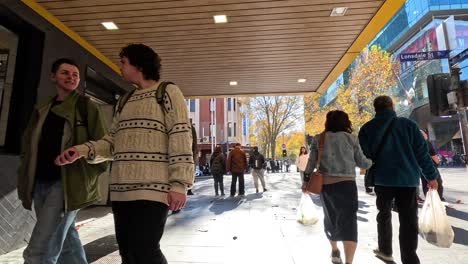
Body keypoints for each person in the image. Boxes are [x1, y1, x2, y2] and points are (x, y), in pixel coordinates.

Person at [55, 44, 194, 264]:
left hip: (153, 191)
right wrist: (82, 151)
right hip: (121, 191)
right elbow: (112, 143)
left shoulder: (168, 92)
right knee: (127, 253)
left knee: (146, 251)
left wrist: (179, 184)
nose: (120, 67)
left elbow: (180, 136)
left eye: (123, 62)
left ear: (137, 65)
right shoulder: (125, 100)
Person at [17, 58, 108, 264]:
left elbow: (103, 145)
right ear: (53, 76)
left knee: (39, 250)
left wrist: (81, 157)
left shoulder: (86, 107)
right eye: (65, 73)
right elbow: (28, 145)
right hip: (40, 182)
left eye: (75, 74)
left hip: (67, 185)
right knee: (67, 243)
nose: (71, 77)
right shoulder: (42, 109)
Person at [358, 96, 438, 264]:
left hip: (382, 179)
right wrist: (431, 176)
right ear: (392, 106)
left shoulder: (366, 129)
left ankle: (386, 250)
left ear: (375, 109)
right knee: (408, 219)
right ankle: (409, 259)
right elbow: (422, 154)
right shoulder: (409, 125)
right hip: (407, 180)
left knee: (384, 214)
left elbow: (365, 156)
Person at [303, 110, 372, 264]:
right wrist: (371, 162)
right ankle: (348, 262)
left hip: (326, 187)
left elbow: (311, 162)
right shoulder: (351, 138)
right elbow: (362, 162)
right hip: (347, 185)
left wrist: (305, 181)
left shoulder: (319, 138)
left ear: (327, 122)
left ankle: (334, 250)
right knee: (349, 222)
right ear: (345, 122)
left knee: (330, 219)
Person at [419, 129, 445, 201]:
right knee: (437, 183)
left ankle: (430, 200)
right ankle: (438, 199)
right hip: (430, 167)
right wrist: (436, 164)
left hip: (420, 167)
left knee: (425, 184)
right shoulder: (426, 143)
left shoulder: (415, 144)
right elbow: (434, 156)